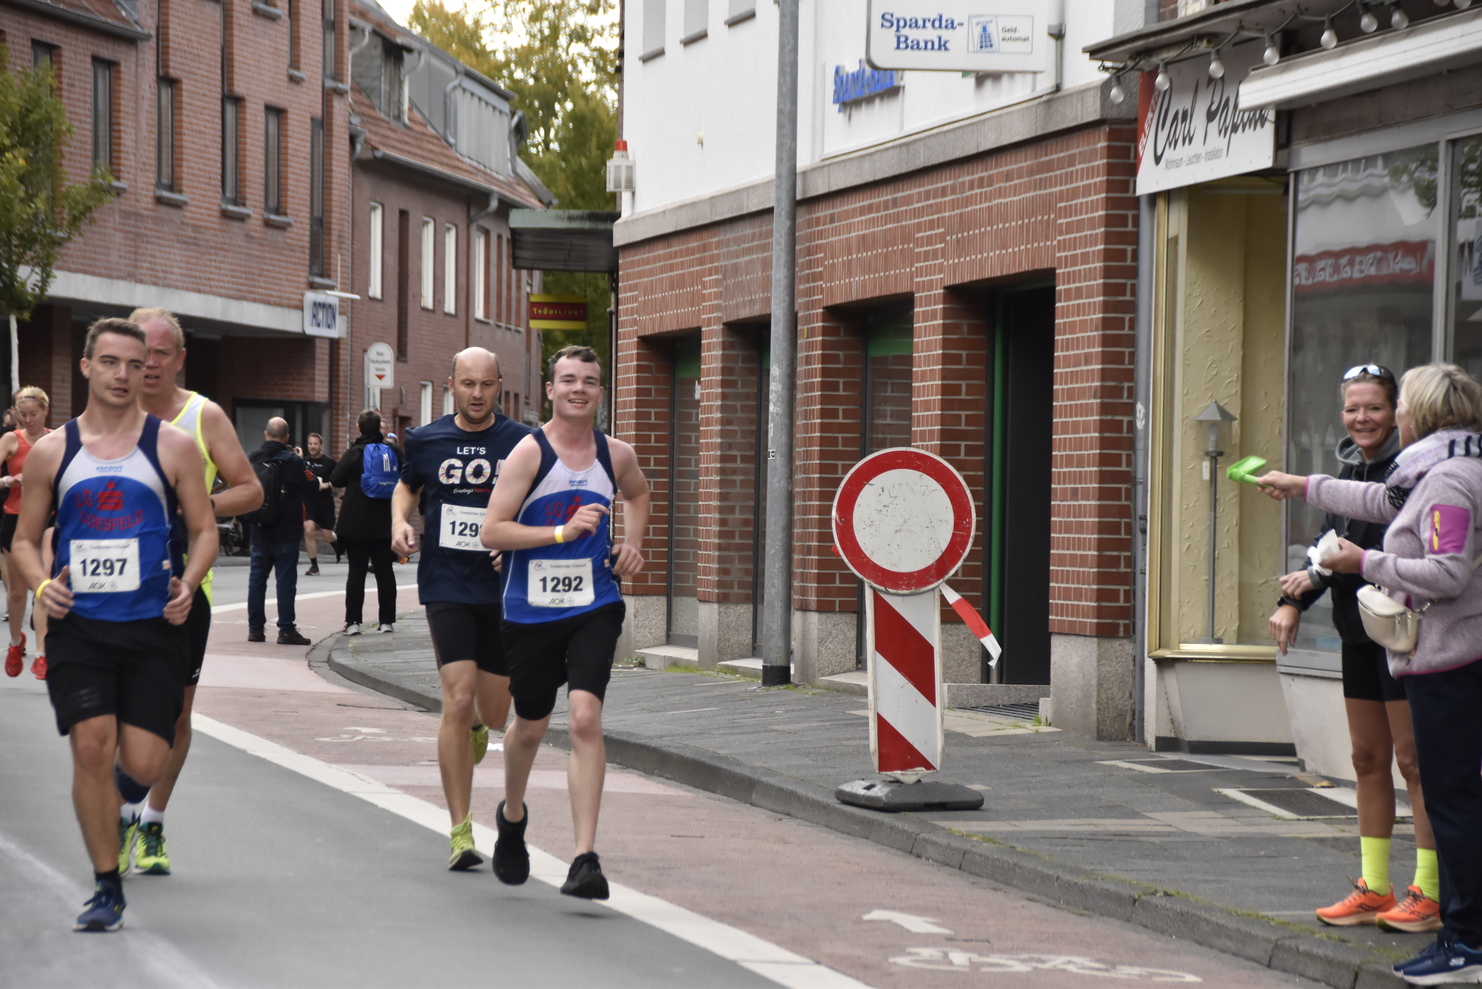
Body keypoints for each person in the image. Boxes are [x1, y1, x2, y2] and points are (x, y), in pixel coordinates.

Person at [1257, 364, 1482, 985]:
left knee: (1452, 798)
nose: (1393, 416)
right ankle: (1450, 926)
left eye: (1399, 405)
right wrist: (1302, 484)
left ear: (1423, 414)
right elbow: (1375, 499)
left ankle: (1463, 939)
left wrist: (1364, 559)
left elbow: (1447, 573)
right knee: (1442, 789)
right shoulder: (1426, 473)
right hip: (1426, 652)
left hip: (1448, 658)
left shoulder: (1449, 482)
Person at [12, 317, 217, 931]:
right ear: (86, 367)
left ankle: (121, 804)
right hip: (81, 626)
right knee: (92, 748)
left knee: (147, 763)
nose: (124, 374)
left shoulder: (172, 446)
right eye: (110, 362)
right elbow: (25, 541)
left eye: (134, 364)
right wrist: (44, 585)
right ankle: (106, 887)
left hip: (155, 626)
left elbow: (204, 529)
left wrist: (189, 578)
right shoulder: (54, 452)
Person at [1269, 365, 1439, 933]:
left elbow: (1362, 546)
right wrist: (1294, 596)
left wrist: (1313, 578)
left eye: (1374, 408)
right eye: (1352, 409)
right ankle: (1374, 887)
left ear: (1398, 413)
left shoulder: (1410, 471)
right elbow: (1327, 544)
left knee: (1417, 765)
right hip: (1357, 632)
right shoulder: (1350, 467)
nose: (1361, 418)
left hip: (1406, 634)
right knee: (1367, 760)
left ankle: (1429, 891)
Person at [481, 345, 650, 900]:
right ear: (549, 390)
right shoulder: (530, 455)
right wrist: (559, 533)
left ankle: (584, 858)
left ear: (602, 392)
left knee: (583, 719)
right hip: (528, 611)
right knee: (530, 724)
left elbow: (640, 493)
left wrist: (631, 544)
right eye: (569, 380)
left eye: (591, 381)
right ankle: (511, 817)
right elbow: (493, 532)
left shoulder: (616, 454)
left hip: (593, 604)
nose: (580, 389)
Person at [116, 307, 263, 878]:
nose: (149, 364)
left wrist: (194, 506)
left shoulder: (203, 416)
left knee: (175, 716)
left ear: (179, 358)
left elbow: (250, 490)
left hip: (181, 590)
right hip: (113, 591)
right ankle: (121, 805)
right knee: (116, 711)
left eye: (160, 353)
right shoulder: (107, 413)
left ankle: (150, 820)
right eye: (139, 351)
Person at [392, 348, 530, 869]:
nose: (476, 394)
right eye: (467, 383)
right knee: (458, 697)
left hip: (503, 587)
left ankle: (475, 728)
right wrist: (398, 523)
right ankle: (460, 830)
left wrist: (516, 541)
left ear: (500, 387)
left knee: (493, 714)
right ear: (450, 384)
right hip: (446, 583)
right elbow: (406, 488)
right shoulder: (426, 439)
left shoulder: (521, 442)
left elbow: (537, 503)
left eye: (486, 384)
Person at [245, 418, 317, 645]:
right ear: (286, 437)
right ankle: (286, 630)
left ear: (266, 434)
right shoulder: (292, 461)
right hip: (286, 531)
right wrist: (299, 459)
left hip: (258, 531)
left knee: (257, 580)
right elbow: (312, 485)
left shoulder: (252, 458)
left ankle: (255, 630)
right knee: (285, 581)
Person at [1, 387, 53, 679]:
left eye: (33, 414)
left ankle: (41, 654)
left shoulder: (55, 439)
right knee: (18, 592)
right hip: (15, 520)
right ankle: (14, 642)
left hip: (46, 520)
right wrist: (11, 479)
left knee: (43, 587)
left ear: (45, 410)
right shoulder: (11, 439)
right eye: (23, 415)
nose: (28, 419)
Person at [332, 410, 399, 634]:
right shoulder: (393, 451)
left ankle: (353, 622)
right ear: (380, 427)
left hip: (356, 523)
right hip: (384, 522)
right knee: (385, 571)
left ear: (359, 428)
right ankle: (387, 621)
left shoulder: (354, 452)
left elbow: (336, 479)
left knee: (356, 572)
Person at [301, 432, 340, 575]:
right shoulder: (304, 462)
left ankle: (337, 542)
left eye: (315, 444)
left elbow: (338, 479)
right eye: (310, 444)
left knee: (327, 536)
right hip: (309, 501)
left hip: (325, 502)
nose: (312, 447)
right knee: (309, 529)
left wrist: (327, 485)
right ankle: (314, 565)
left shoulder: (329, 462)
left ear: (321, 445)